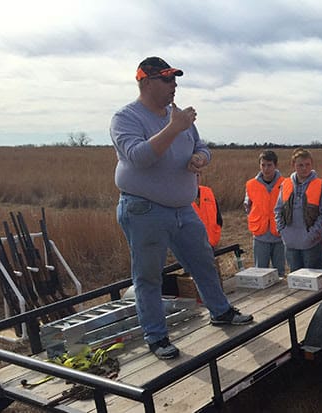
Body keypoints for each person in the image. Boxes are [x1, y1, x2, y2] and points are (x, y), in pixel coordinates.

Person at [110, 56, 253, 360]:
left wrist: (201, 158)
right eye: (167, 79)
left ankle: (220, 311)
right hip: (144, 210)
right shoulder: (126, 118)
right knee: (149, 276)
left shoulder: (181, 118)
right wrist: (174, 128)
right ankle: (157, 336)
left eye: (175, 79)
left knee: (202, 261)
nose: (174, 86)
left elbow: (201, 147)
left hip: (182, 208)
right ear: (146, 82)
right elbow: (138, 157)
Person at [274, 148, 322, 272]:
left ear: (312, 164)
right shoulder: (285, 184)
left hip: (312, 243)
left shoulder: (320, 185)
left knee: (314, 282)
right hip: (290, 243)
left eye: (307, 164)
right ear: (293, 165)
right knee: (296, 280)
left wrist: (312, 235)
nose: (304, 168)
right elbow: (278, 210)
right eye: (300, 165)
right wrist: (282, 231)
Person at [245, 150, 285, 276]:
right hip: (260, 234)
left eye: (269, 165)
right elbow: (248, 206)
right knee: (260, 273)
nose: (266, 169)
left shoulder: (285, 183)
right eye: (263, 165)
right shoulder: (251, 184)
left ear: (276, 165)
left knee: (280, 274)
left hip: (279, 234)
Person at [191, 173, 223, 248]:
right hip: (191, 246)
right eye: (191, 175)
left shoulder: (208, 192)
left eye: (197, 175)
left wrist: (215, 233)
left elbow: (218, 218)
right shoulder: (180, 198)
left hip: (210, 243)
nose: (195, 178)